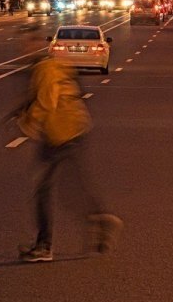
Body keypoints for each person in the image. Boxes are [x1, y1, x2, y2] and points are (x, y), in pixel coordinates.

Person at [15, 55, 122, 262]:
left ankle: (44, 246)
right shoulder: (57, 65)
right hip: (75, 127)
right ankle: (100, 218)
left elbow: (47, 100)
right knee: (73, 185)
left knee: (43, 189)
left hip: (59, 132)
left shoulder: (44, 68)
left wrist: (27, 125)